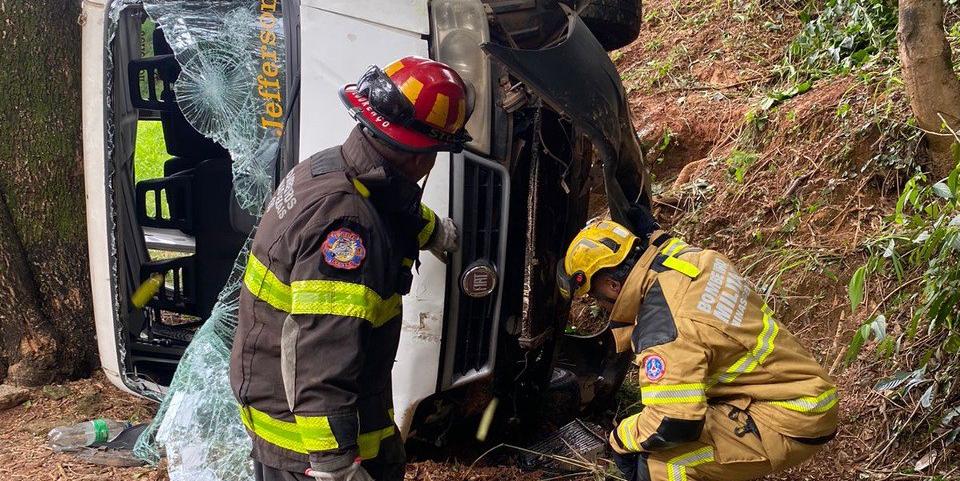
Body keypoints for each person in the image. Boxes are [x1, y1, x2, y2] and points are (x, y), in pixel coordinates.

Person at [230, 56, 474, 481]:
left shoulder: (333, 166)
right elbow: (321, 353)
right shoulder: (346, 228)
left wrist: (430, 231)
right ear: (422, 155)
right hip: (306, 442)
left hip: (322, 405)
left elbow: (388, 200)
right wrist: (336, 467)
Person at [556, 218, 838, 481]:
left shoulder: (664, 328)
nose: (601, 305)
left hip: (790, 419)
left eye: (595, 296)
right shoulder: (691, 260)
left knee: (661, 462)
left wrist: (619, 438)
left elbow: (673, 422)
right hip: (800, 390)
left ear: (613, 285)